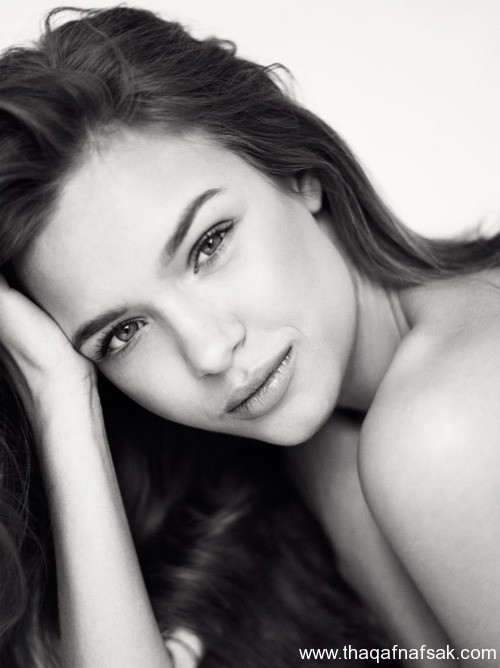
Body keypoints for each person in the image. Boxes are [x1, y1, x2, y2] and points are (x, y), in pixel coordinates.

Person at [0, 5, 498, 667]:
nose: (208, 351)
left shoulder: (441, 427)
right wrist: (58, 397)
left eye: (209, 245)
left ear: (296, 169)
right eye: (124, 333)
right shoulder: (331, 447)